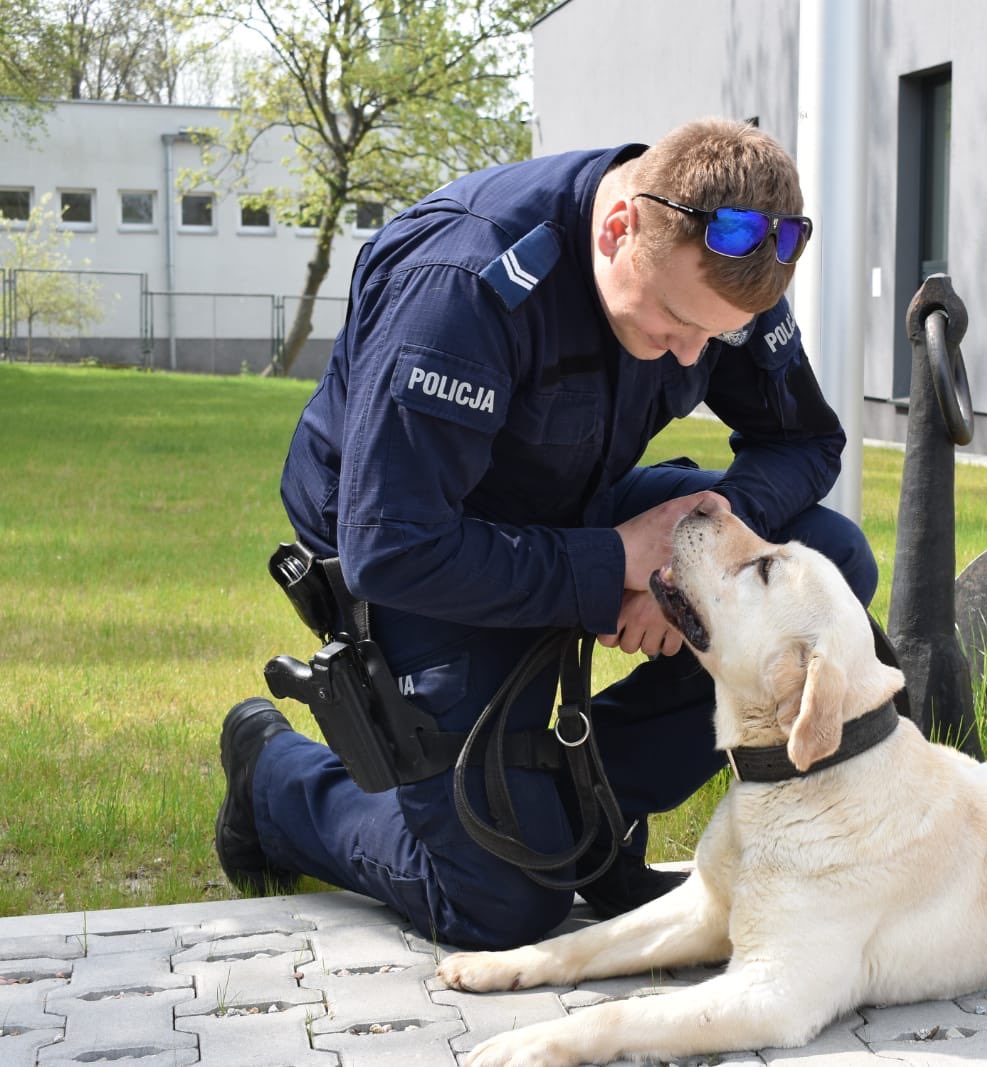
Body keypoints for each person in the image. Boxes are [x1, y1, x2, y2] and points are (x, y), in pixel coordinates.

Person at [213, 117, 878, 950]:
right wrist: (612, 564)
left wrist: (691, 543)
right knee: (500, 904)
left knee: (827, 568)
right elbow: (393, 544)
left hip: (572, 501)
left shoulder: (711, 281)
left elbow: (804, 439)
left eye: (716, 336)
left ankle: (581, 808)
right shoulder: (462, 282)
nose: (690, 357)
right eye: (675, 322)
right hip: (426, 552)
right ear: (617, 227)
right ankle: (273, 779)